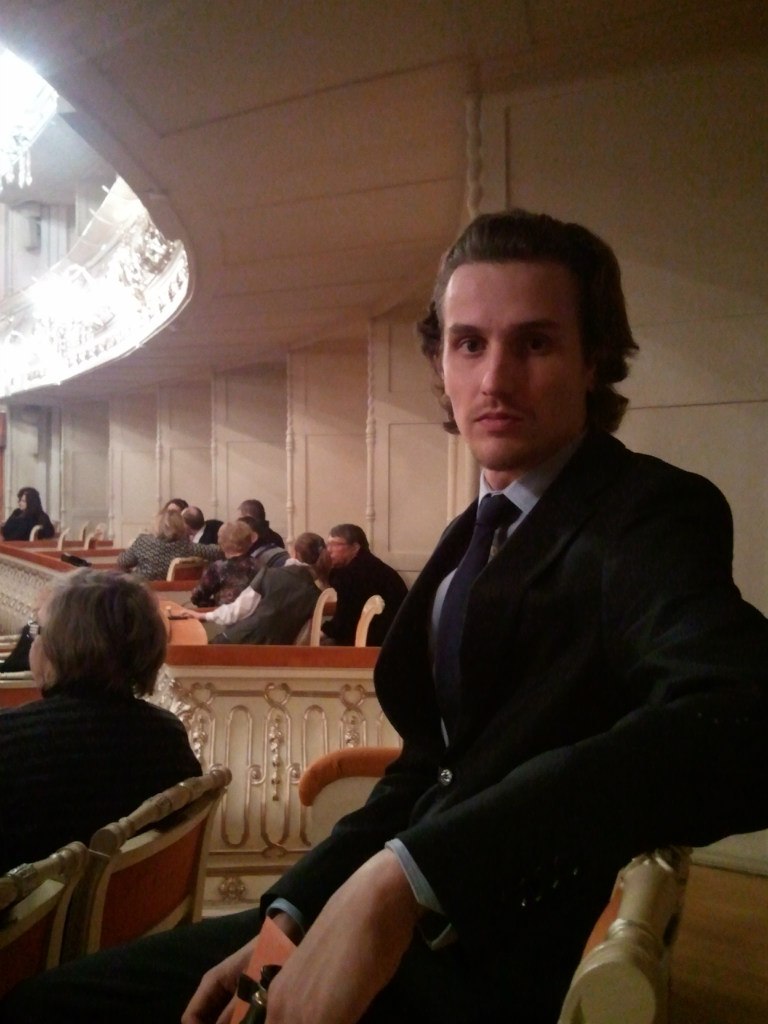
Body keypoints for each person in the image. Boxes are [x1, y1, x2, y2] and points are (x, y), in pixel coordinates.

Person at [3, 209, 767, 1023]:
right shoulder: (473, 532)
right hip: (409, 926)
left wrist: (413, 875)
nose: (494, 378)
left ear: (593, 361)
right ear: (441, 362)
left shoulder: (644, 515)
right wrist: (291, 915)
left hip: (490, 962)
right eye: (468, 344)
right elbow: (429, 769)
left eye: (536, 343)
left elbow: (745, 717)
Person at [0, 570, 201, 874]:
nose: (32, 643)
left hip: (35, 905)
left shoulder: (10, 739)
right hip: (130, 902)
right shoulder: (168, 734)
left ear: (62, 646)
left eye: (36, 631)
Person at [186, 532, 326, 645]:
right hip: (279, 650)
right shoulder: (316, 593)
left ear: (295, 553)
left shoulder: (270, 575)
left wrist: (204, 616)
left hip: (245, 639)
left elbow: (239, 609)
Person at [321, 524, 407, 646]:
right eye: (328, 544)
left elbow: (344, 622)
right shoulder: (369, 565)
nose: (329, 550)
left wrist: (317, 635)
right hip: (394, 639)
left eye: (335, 544)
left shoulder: (354, 573)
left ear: (355, 547)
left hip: (379, 644)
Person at [116, 508, 221, 581]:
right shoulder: (187, 546)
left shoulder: (143, 542)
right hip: (178, 594)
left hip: (145, 592)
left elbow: (122, 561)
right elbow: (216, 551)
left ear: (158, 525)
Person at [190, 521, 255, 607]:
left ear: (222, 543)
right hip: (256, 613)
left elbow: (197, 597)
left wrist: (213, 605)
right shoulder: (260, 565)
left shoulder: (218, 568)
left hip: (226, 613)